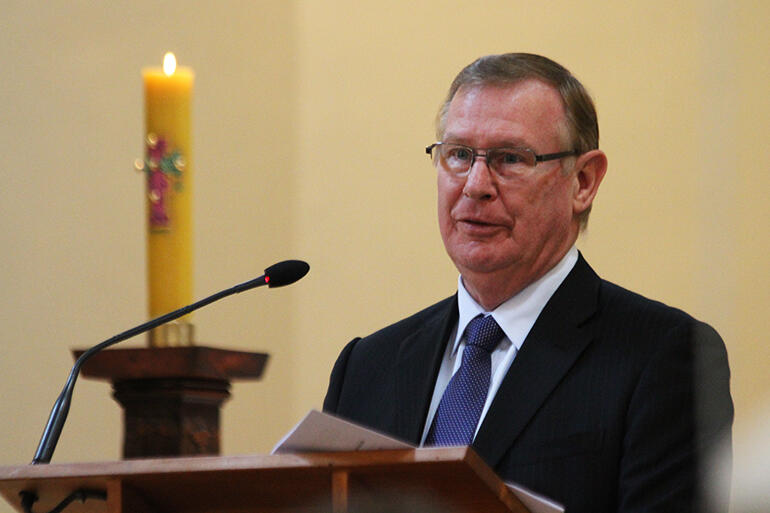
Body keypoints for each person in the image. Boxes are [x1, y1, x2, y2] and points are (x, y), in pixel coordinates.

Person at [323, 53, 733, 513]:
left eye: (510, 158)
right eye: (459, 154)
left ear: (583, 181)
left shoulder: (663, 357)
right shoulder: (367, 367)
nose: (476, 185)